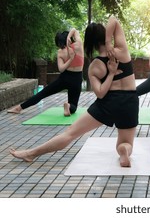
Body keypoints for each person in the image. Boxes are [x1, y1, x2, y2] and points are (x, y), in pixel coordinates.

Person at [10, 16, 138, 167]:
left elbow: (101, 94)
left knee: (70, 133)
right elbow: (113, 19)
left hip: (108, 103)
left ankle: (30, 153)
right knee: (124, 143)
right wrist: (110, 43)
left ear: (90, 42)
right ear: (105, 35)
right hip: (130, 101)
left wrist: (110, 73)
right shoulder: (122, 51)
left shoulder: (95, 66)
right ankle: (124, 151)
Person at [7, 28, 84, 116]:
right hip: (77, 79)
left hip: (64, 78)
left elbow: (61, 69)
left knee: (42, 94)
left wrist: (70, 59)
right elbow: (74, 29)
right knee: (74, 105)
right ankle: (69, 106)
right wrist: (69, 39)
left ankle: (19, 108)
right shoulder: (78, 45)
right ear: (68, 38)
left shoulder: (60, 52)